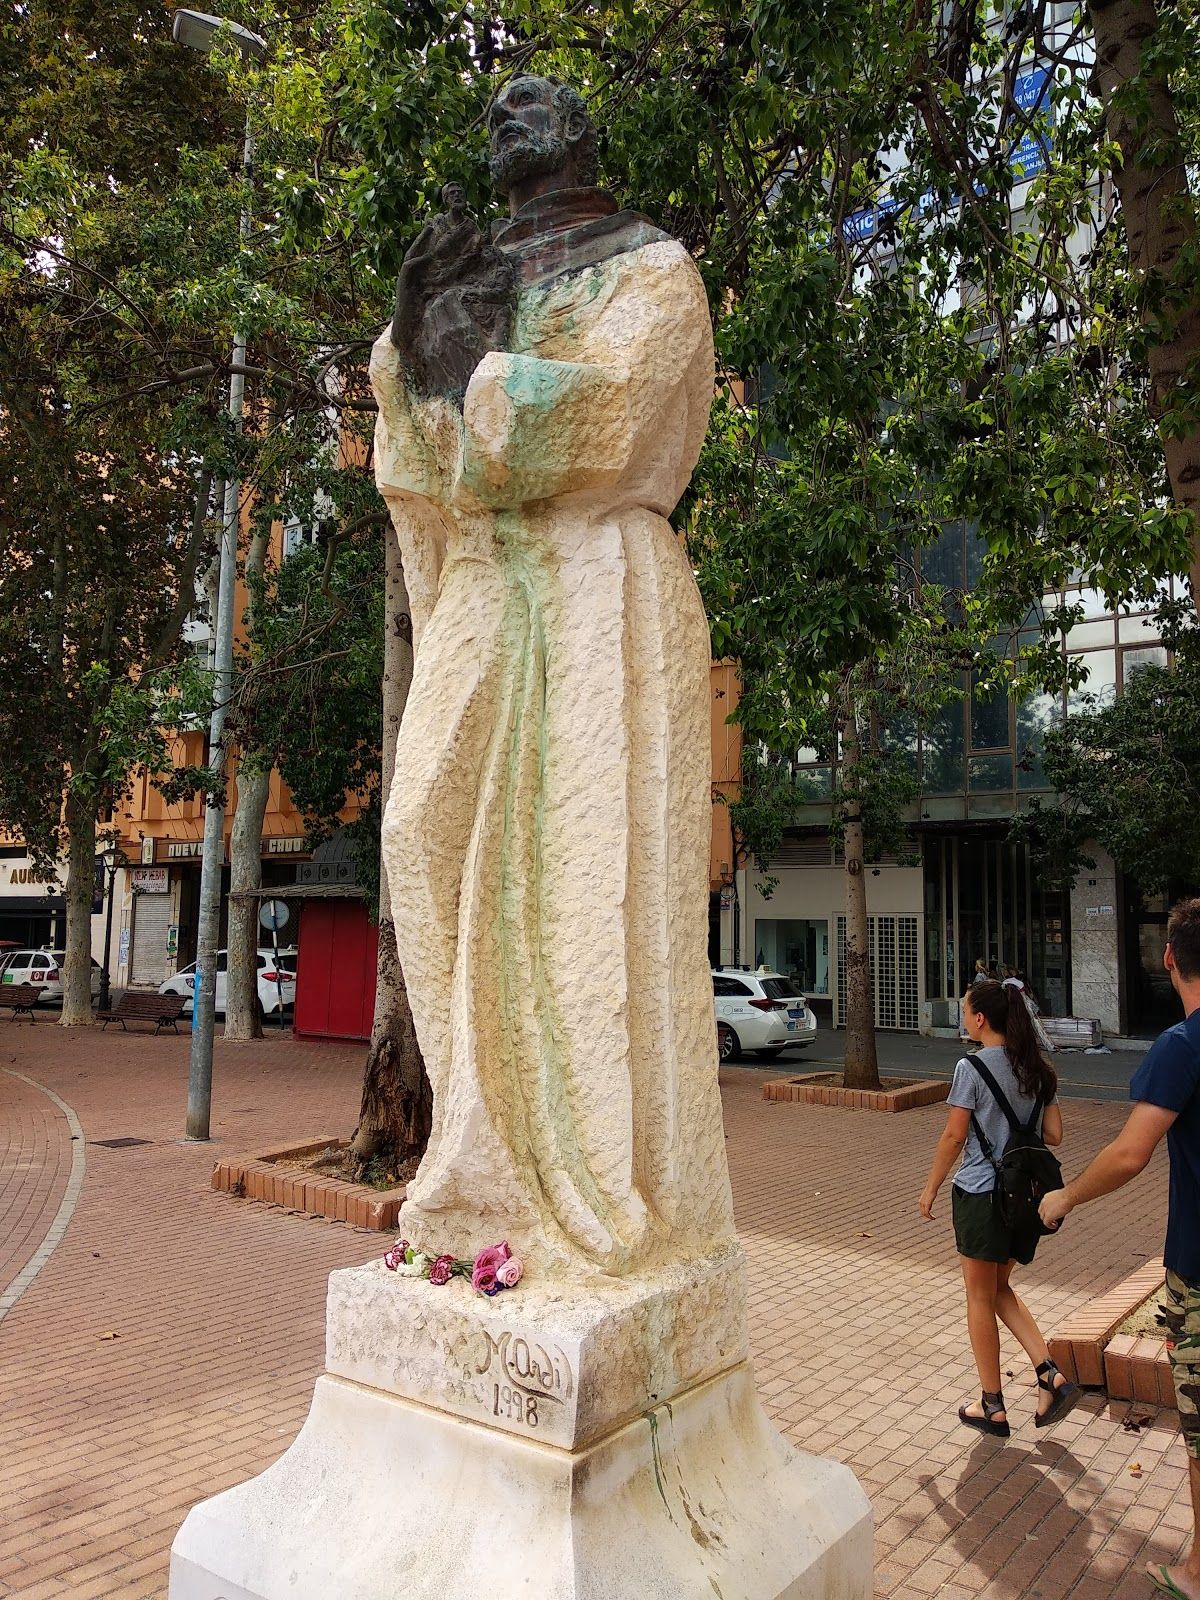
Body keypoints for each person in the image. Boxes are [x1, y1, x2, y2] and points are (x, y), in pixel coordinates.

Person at [1040, 898, 1200, 1600]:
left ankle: (1197, 1572)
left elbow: (1131, 1153)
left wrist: (1065, 1198)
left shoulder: (1182, 1047)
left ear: (1168, 958)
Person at [920, 979, 1081, 1436]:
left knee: (978, 1296)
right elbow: (1053, 1136)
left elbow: (954, 1136)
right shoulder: (1038, 1069)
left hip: (981, 1194)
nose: (963, 1017)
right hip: (1024, 1200)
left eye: (965, 1010)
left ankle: (992, 1404)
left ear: (980, 1019)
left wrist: (930, 1187)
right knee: (999, 1288)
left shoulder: (970, 1068)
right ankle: (1049, 1372)